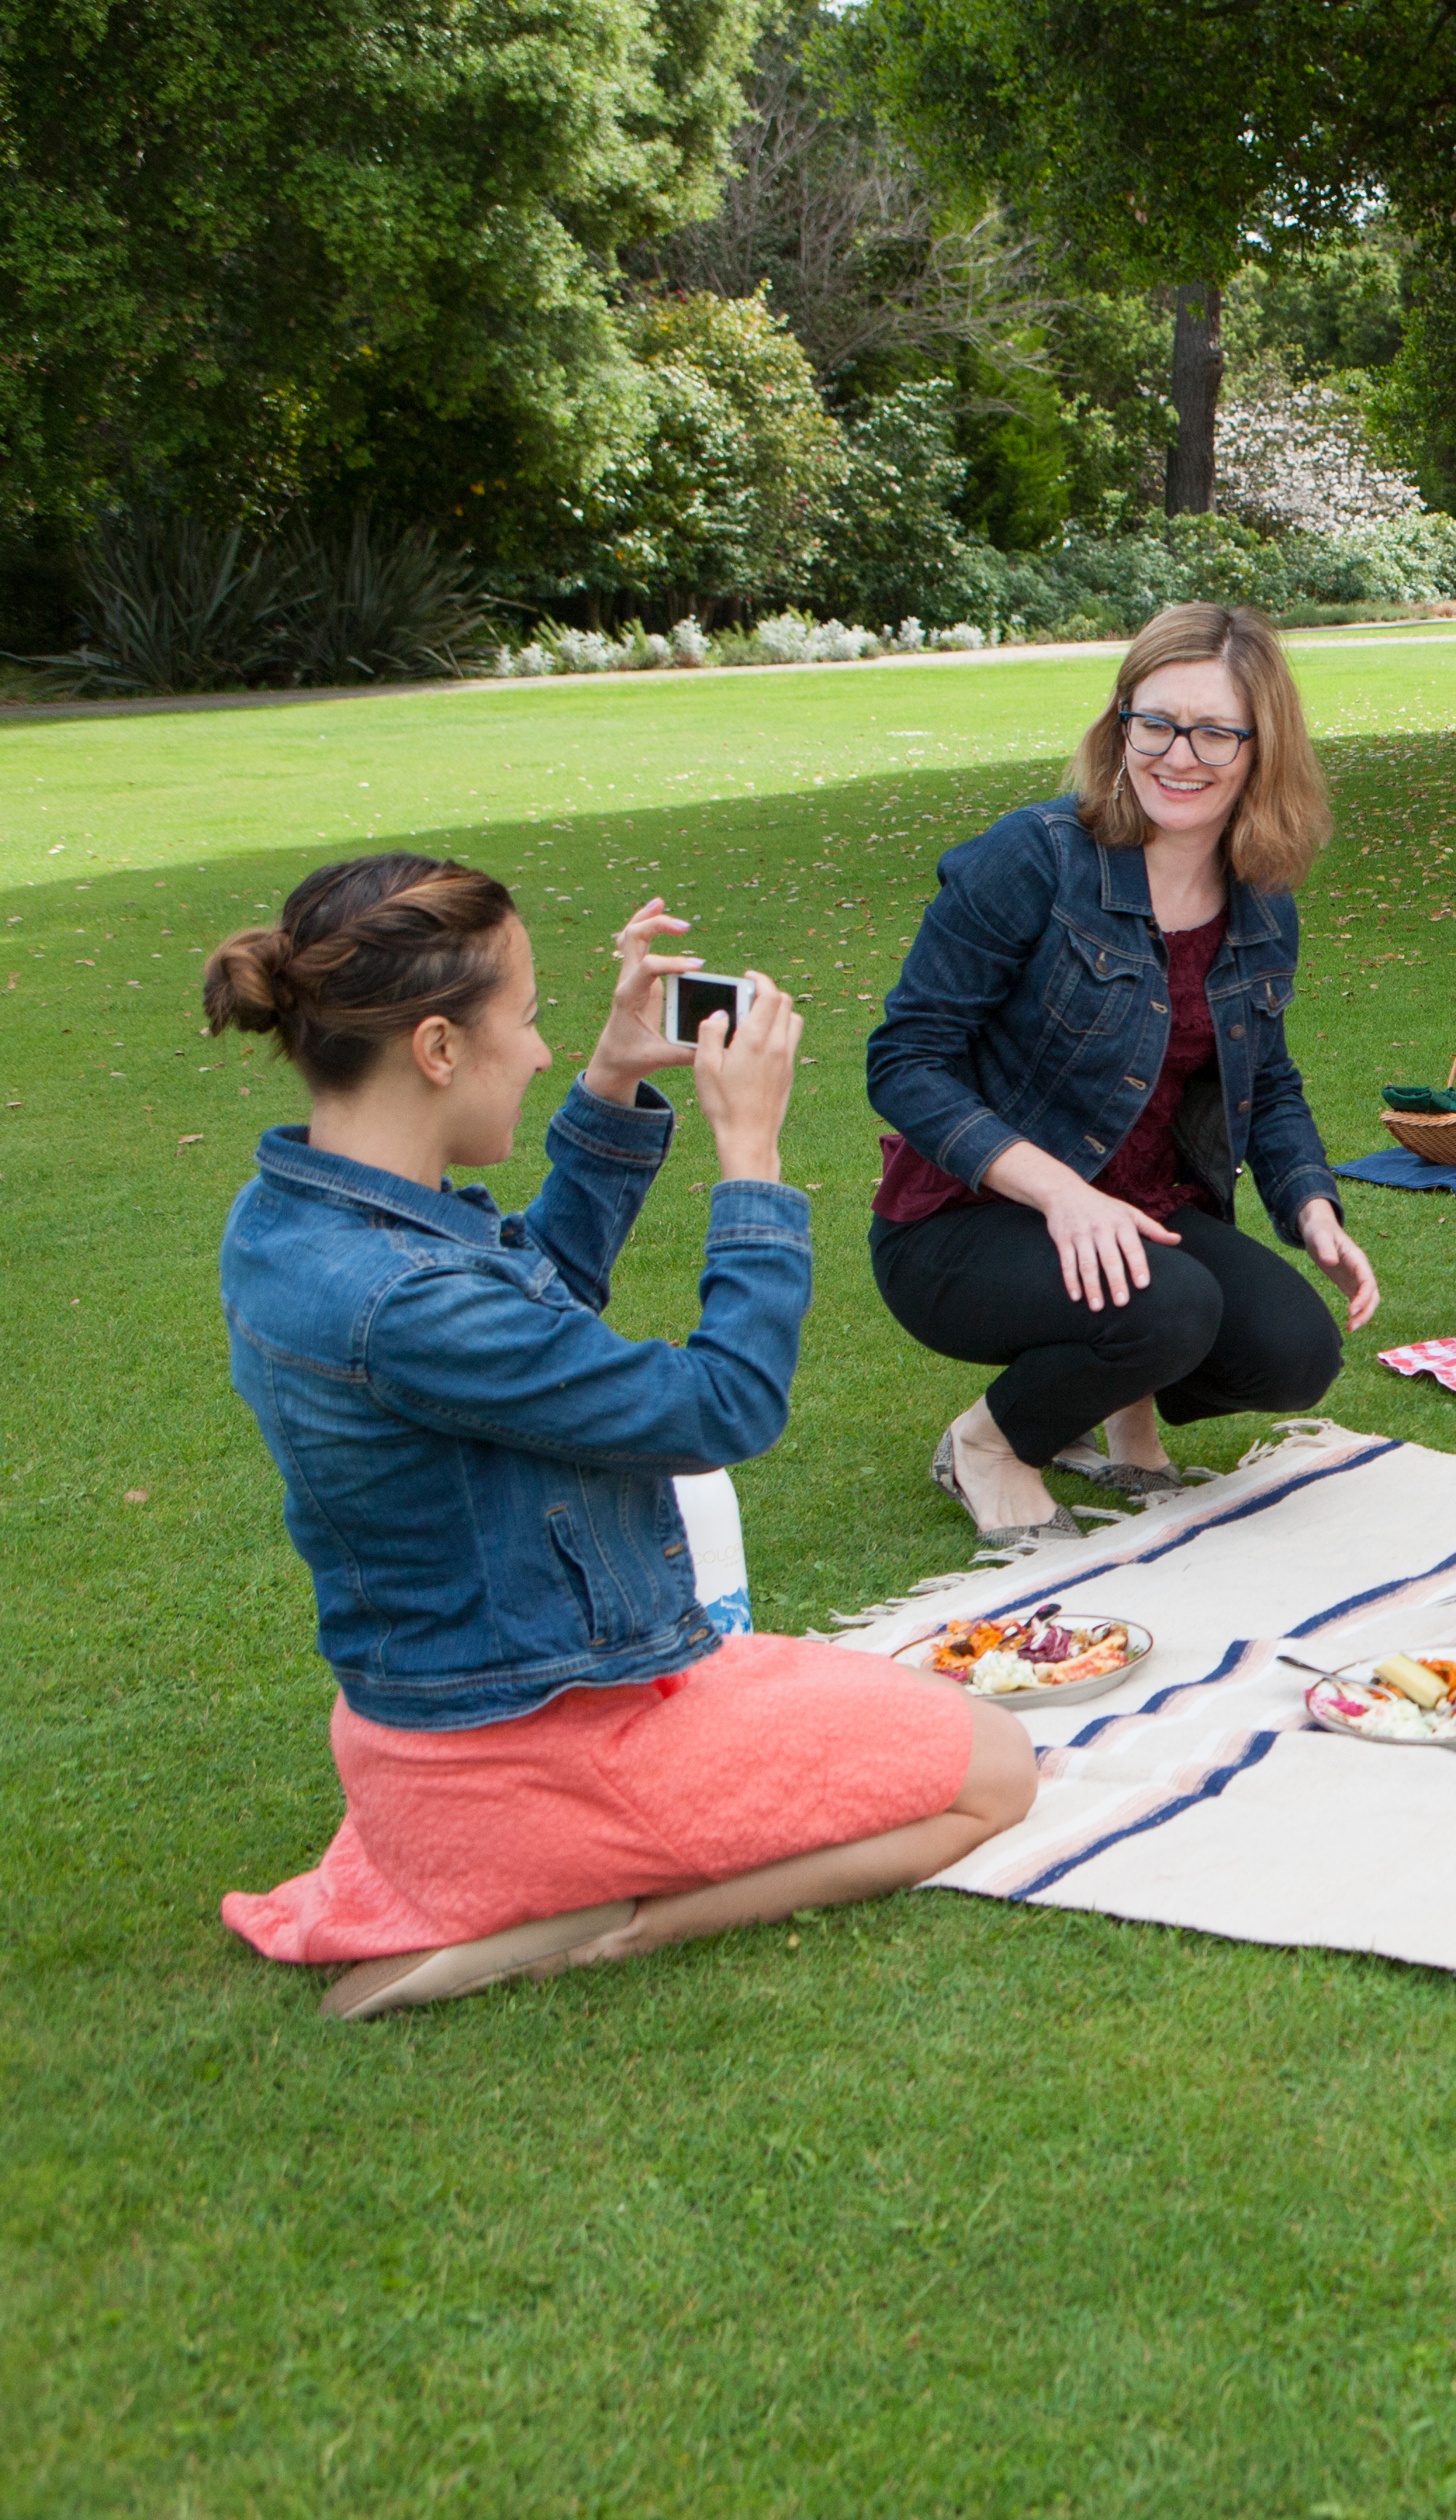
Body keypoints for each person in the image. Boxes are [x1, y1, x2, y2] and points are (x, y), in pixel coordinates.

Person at [207, 855, 1035, 2019]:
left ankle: (547, 1871)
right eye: (528, 1019)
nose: (538, 1050)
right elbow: (721, 1406)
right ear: (437, 1048)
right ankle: (604, 1922)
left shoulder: (301, 1216)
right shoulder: (401, 1297)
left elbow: (525, 1317)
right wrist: (751, 1157)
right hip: (540, 1746)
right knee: (997, 1769)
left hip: (451, 1726)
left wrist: (611, 1076)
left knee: (894, 1706)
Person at [867, 603, 1381, 1544]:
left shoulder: (1261, 900)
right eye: (1156, 724)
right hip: (965, 1220)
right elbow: (906, 1060)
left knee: (1295, 1353)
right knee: (1171, 1305)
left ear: (1263, 749)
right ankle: (990, 1444)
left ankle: (1103, 1399)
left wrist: (1310, 1204)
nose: (1179, 757)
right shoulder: (1032, 858)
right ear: (1120, 725)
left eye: (1215, 732)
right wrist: (1062, 1194)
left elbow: (1267, 1077)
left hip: (1143, 1214)